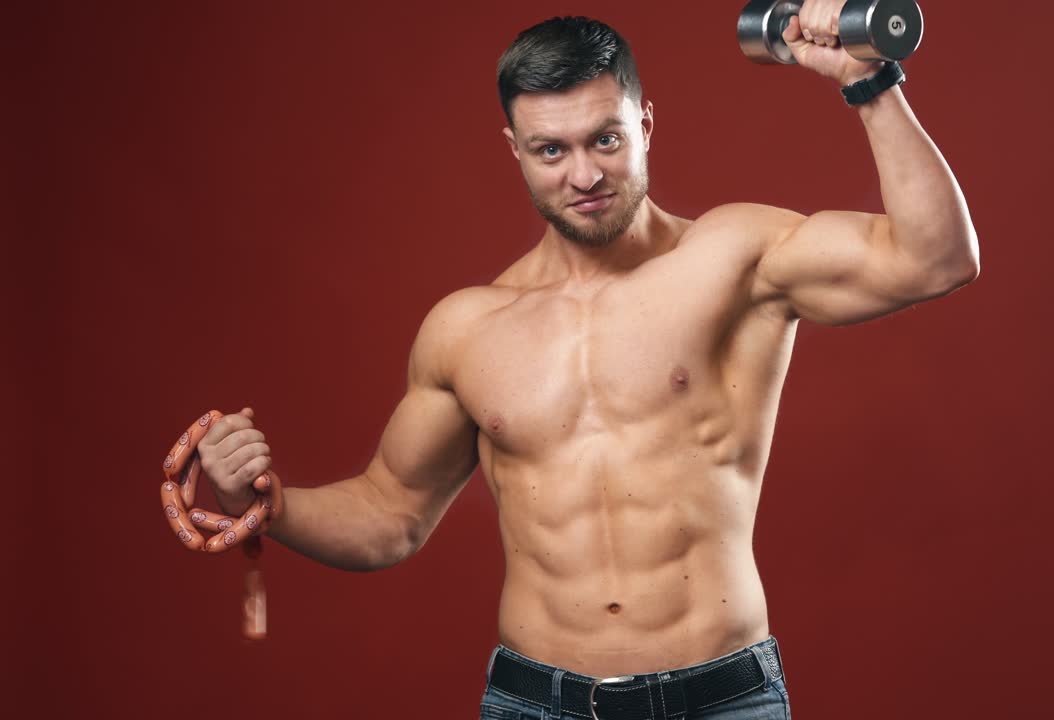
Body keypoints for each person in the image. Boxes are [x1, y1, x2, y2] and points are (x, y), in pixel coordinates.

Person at [197, 6, 979, 718]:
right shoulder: (469, 330)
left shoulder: (735, 256)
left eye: (605, 138)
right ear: (515, 150)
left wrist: (866, 78)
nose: (584, 175)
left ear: (644, 123)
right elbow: (390, 514)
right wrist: (266, 504)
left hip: (721, 699)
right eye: (551, 150)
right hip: (537, 702)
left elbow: (936, 258)